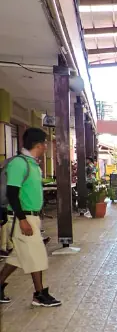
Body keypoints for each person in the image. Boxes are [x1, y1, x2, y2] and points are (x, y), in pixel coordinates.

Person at [0, 128, 61, 307]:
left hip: (30, 217)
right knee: (37, 256)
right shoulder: (19, 164)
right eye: (45, 142)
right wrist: (23, 220)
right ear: (38, 144)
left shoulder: (32, 163)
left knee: (18, 257)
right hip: (22, 218)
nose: (46, 146)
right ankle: (39, 294)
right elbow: (12, 193)